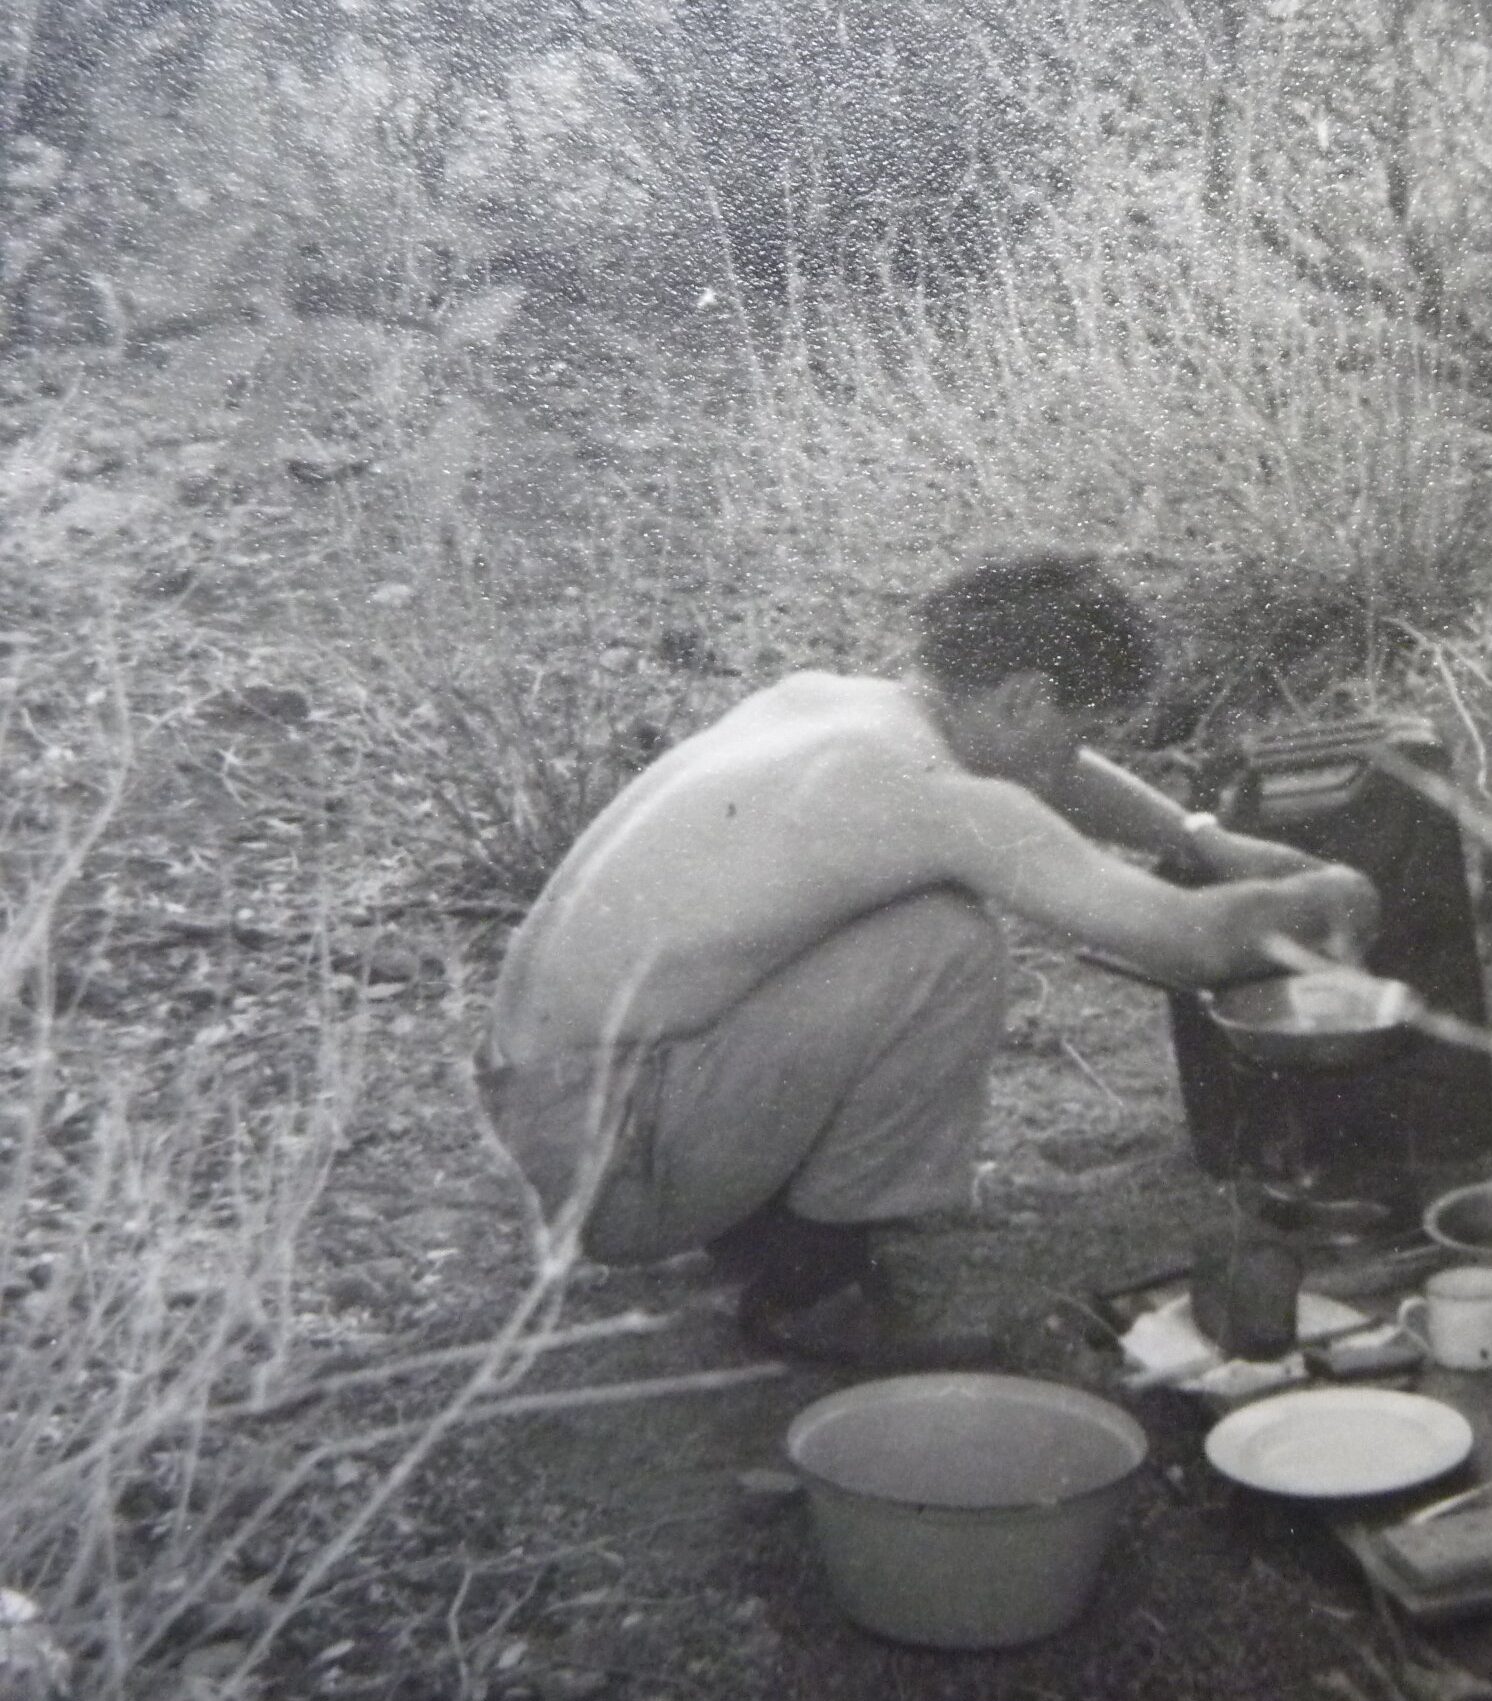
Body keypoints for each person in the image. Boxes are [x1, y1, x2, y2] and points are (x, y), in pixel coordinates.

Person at [477, 552, 1379, 1364]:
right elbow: (1186, 944)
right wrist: (1329, 899)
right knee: (943, 946)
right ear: (1023, 697)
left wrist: (1199, 836)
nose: (1073, 754)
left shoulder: (834, 705)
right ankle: (812, 1287)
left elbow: (1055, 774)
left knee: (887, 923)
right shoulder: (936, 799)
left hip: (557, 1108)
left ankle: (757, 1213)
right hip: (618, 1168)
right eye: (1074, 726)